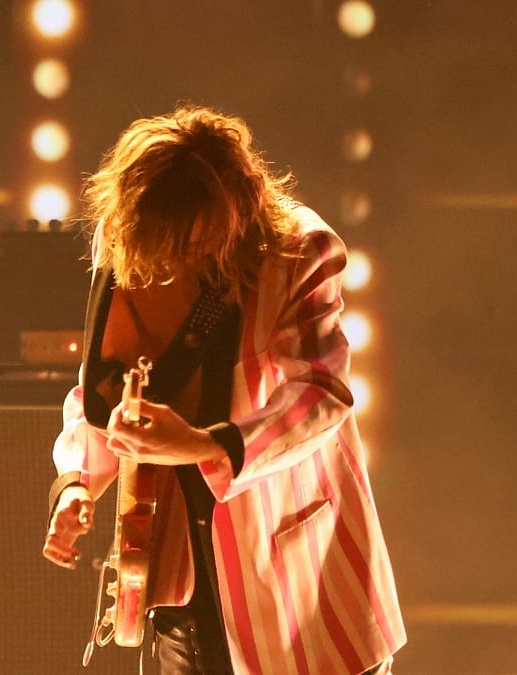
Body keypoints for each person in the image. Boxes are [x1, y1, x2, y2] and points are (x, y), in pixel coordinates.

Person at [41, 106, 405, 674]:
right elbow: (101, 390)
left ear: (234, 210)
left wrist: (206, 444)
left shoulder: (300, 250)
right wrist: (75, 484)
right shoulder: (126, 242)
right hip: (178, 583)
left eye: (193, 239)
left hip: (293, 581)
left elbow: (321, 392)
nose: (176, 257)